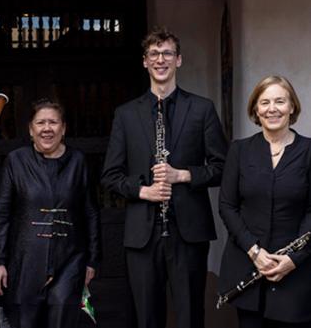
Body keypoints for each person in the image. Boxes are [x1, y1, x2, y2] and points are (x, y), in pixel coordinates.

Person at [101, 26, 228, 328]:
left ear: (179, 60)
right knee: (146, 317)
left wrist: (182, 175)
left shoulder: (202, 109)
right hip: (142, 235)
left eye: (167, 53)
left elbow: (223, 167)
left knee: (189, 316)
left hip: (189, 233)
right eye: (154, 54)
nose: (161, 59)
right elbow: (110, 176)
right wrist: (144, 191)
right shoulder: (126, 114)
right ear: (144, 61)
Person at [0, 98, 101, 328]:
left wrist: (92, 260)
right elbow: (1, 213)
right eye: (40, 123)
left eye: (53, 122)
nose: (47, 128)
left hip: (70, 259)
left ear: (64, 128)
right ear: (31, 129)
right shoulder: (16, 161)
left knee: (62, 319)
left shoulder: (78, 161)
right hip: (24, 260)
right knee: (25, 321)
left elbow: (91, 212)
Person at [218, 76, 311, 328]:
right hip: (247, 268)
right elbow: (227, 205)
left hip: (297, 275)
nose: (272, 108)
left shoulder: (308, 151)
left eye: (280, 101)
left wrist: (294, 259)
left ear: (292, 106)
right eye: (265, 102)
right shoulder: (239, 150)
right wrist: (254, 251)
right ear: (255, 110)